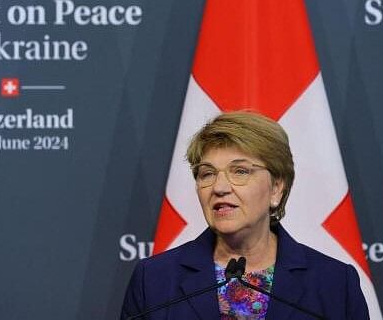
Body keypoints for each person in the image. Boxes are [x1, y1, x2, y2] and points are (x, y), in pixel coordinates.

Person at [121, 111, 369, 319]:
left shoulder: (334, 283)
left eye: (239, 171)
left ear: (276, 188)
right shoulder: (154, 280)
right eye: (207, 174)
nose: (219, 187)